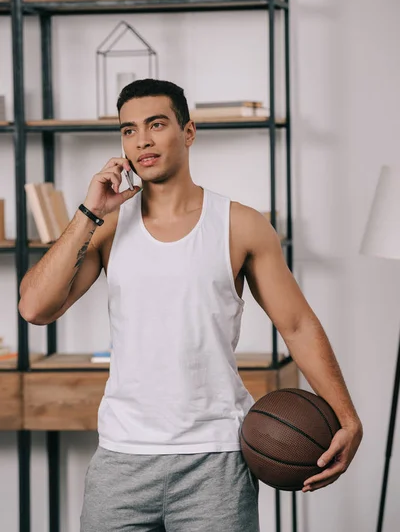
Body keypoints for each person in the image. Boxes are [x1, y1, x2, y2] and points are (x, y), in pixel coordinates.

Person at [19, 79, 363, 532]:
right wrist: (89, 211)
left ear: (188, 132)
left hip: (216, 462)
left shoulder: (240, 224)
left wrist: (348, 417)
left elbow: (296, 324)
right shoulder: (106, 226)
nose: (141, 140)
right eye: (128, 130)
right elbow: (35, 309)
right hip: (123, 460)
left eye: (156, 124)